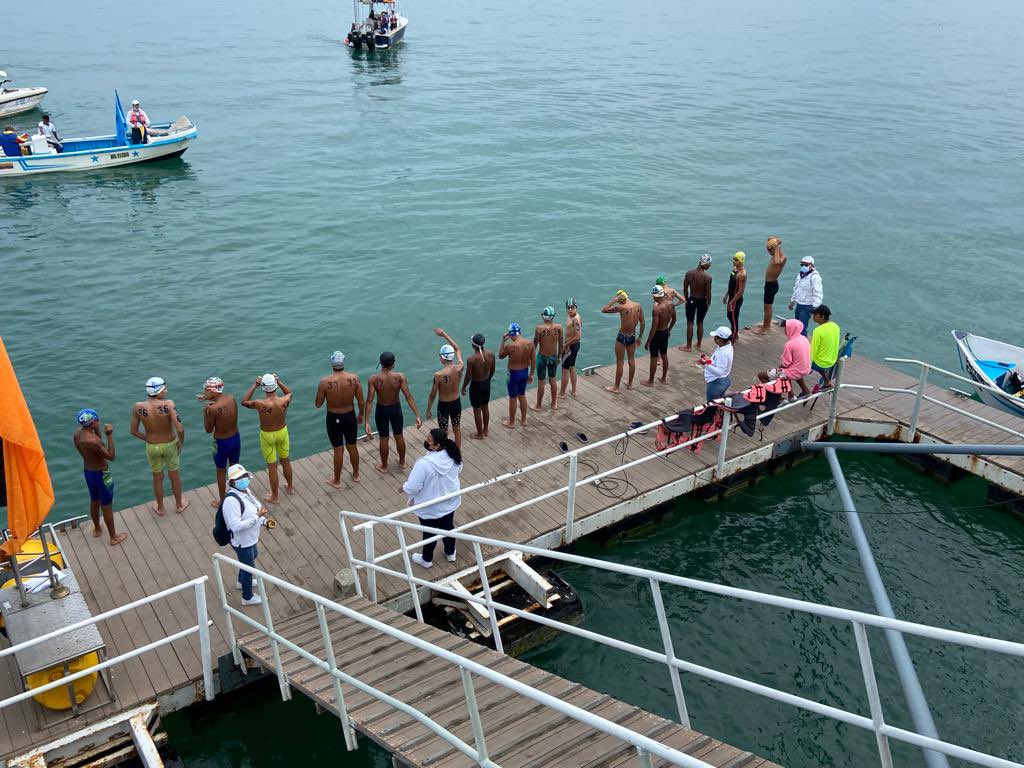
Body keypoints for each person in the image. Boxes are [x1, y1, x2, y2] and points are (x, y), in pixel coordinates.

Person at [403, 428, 464, 568]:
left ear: (437, 446)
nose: (426, 441)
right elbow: (459, 468)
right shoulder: (453, 455)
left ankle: (427, 559)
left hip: (429, 507)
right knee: (448, 528)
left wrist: (404, 487)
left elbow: (413, 487)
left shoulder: (423, 464)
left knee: (429, 533)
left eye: (429, 440)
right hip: (448, 502)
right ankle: (450, 552)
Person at [130, 377, 189, 516]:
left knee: (157, 477)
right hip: (170, 444)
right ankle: (179, 505)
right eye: (165, 389)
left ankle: (161, 508)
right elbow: (180, 429)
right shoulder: (168, 404)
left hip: (152, 446)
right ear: (159, 391)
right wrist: (181, 443)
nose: (167, 391)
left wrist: (148, 439)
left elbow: (133, 431)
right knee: (174, 475)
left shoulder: (138, 407)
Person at [73, 409, 128, 546]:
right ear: (92, 423)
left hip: (88, 471)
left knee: (94, 500)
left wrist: (97, 431)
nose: (99, 421)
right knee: (106, 505)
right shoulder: (93, 441)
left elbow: (96, 444)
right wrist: (109, 435)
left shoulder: (78, 434)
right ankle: (113, 537)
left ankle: (97, 528)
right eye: (97, 420)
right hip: (102, 474)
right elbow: (111, 456)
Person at [222, 464, 272, 606]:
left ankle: (241, 581)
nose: (243, 479)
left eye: (244, 476)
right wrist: (257, 518)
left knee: (252, 556)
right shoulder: (231, 501)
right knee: (248, 567)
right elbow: (235, 526)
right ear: (232, 482)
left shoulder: (245, 491)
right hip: (242, 541)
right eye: (239, 477)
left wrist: (264, 521)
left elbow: (255, 511)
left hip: (250, 538)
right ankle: (247, 597)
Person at [365, 351, 422, 472]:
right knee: (399, 436)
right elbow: (408, 396)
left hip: (382, 410)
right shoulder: (400, 377)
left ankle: (384, 466)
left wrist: (366, 422)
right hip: (395, 409)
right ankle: (402, 463)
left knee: (383, 438)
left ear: (381, 363)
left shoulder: (373, 379)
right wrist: (417, 415)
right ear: (393, 364)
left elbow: (369, 401)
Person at [243, 373, 295, 502]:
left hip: (267, 435)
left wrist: (255, 385)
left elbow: (244, 402)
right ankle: (290, 487)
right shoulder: (285, 400)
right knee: (286, 460)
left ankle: (275, 496)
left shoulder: (259, 403)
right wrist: (280, 381)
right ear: (275, 386)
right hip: (282, 432)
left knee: (272, 466)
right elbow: (289, 393)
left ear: (263, 387)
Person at [315, 352, 364, 487]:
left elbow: (318, 404)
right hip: (349, 416)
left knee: (338, 449)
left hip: (333, 418)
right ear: (344, 363)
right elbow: (361, 401)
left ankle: (336, 481)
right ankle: (356, 475)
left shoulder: (324, 382)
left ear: (332, 363)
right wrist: (360, 415)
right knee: (352, 446)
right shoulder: (354, 379)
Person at [197, 377, 240, 508]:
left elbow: (208, 430)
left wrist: (205, 413)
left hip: (221, 443)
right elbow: (222, 405)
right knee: (235, 469)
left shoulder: (212, 409)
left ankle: (223, 501)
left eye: (206, 390)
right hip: (235, 439)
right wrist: (207, 398)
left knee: (221, 471)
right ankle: (238, 496)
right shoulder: (231, 399)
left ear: (213, 391)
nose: (204, 392)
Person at [425, 329, 465, 448]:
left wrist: (428, 409)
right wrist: (445, 335)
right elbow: (457, 349)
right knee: (456, 428)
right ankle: (457, 452)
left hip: (444, 406)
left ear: (442, 358)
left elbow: (433, 394)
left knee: (443, 431)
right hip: (456, 403)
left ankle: (444, 453)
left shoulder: (438, 375)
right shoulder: (460, 367)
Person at [601, 290, 645, 393]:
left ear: (621, 299)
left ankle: (616, 387)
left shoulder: (622, 307)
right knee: (631, 360)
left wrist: (613, 300)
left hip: (622, 336)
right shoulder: (638, 306)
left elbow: (603, 310)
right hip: (632, 336)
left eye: (619, 300)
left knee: (620, 362)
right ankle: (630, 384)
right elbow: (642, 323)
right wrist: (640, 337)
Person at [757, 319, 812, 399]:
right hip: (805, 369)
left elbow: (786, 363)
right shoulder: (804, 339)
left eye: (786, 328)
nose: (785, 330)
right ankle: (803, 391)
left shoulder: (790, 344)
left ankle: (777, 398)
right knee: (790, 371)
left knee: (762, 375)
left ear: (791, 329)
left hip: (794, 372)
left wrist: (779, 368)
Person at [499, 323, 535, 429]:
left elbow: (500, 356)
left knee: (513, 398)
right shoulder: (530, 343)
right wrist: (531, 374)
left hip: (513, 375)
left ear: (510, 334)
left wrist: (503, 340)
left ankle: (511, 422)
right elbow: (533, 361)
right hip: (524, 373)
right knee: (522, 396)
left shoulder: (509, 346)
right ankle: (524, 420)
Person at [461, 333, 495, 439]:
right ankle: (485, 430)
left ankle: (479, 434)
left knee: (477, 411)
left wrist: (463, 387)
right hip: (486, 384)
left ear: (473, 345)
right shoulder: (491, 354)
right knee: (485, 407)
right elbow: (492, 370)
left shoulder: (471, 360)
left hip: (476, 386)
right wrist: (488, 380)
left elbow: (469, 376)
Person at [752, 237, 787, 335]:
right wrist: (777, 243)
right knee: (767, 307)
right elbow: (770, 239)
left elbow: (777, 262)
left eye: (769, 250)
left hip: (771, 285)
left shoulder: (780, 259)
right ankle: (766, 324)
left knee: (767, 307)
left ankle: (766, 328)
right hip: (770, 284)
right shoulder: (780, 255)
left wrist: (776, 248)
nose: (768, 253)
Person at [532, 306, 564, 412]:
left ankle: (539, 405)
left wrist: (530, 359)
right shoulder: (559, 327)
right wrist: (559, 357)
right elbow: (561, 344)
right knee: (553, 379)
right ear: (553, 316)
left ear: (543, 316)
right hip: (553, 357)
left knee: (541, 381)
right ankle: (554, 403)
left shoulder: (539, 329)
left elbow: (534, 345)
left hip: (542, 357)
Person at [643, 285, 676, 386]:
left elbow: (654, 328)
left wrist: (648, 341)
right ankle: (663, 379)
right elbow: (674, 320)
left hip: (657, 334)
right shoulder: (671, 304)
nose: (653, 298)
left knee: (653, 357)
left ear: (656, 296)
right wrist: (668, 330)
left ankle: (650, 381)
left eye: (653, 296)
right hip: (665, 331)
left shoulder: (657, 310)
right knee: (664, 355)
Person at [680, 254, 713, 351]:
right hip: (702, 301)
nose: (710, 266)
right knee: (700, 322)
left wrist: (686, 300)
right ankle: (698, 344)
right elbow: (708, 293)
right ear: (704, 264)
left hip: (691, 299)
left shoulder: (689, 273)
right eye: (709, 264)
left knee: (690, 323)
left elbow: (685, 289)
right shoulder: (707, 277)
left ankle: (689, 346)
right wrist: (709, 302)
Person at [804, 305, 841, 391]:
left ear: (822, 316)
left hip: (821, 363)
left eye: (815, 315)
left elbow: (813, 350)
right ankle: (827, 382)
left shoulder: (818, 330)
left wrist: (808, 366)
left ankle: (804, 390)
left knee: (797, 363)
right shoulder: (835, 326)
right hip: (832, 360)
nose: (813, 317)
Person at [788, 256, 823, 337]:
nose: (804, 266)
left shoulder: (815, 277)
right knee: (796, 326)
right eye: (802, 264)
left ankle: (802, 346)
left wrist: (816, 307)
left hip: (807, 306)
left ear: (812, 265)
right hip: (799, 304)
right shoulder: (800, 275)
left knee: (802, 329)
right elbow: (796, 288)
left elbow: (818, 293)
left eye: (806, 264)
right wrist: (792, 301)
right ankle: (796, 343)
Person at [701, 327, 734, 400]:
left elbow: (720, 372)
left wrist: (705, 364)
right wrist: (709, 361)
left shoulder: (723, 353)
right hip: (724, 380)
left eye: (716, 337)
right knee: (719, 404)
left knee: (711, 407)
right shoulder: (728, 345)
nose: (714, 339)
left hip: (716, 384)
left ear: (721, 340)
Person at [560, 298, 582, 399]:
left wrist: (566, 345)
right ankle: (573, 391)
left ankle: (562, 393)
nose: (570, 310)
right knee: (572, 367)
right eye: (568, 308)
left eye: (572, 307)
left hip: (570, 347)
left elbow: (578, 337)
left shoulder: (575, 319)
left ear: (576, 307)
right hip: (573, 346)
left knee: (565, 370)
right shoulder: (571, 316)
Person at [725, 252, 747, 342]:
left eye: (736, 260)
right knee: (729, 316)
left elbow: (740, 291)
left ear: (741, 261)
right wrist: (726, 295)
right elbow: (731, 284)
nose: (734, 261)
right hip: (731, 297)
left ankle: (733, 338)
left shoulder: (742, 274)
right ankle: (735, 333)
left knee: (733, 318)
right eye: (733, 259)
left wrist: (731, 302)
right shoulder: (734, 270)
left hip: (736, 299)